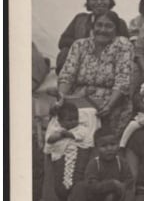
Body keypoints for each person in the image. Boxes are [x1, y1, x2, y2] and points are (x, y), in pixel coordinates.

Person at [57, 11, 135, 139]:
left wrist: (109, 105)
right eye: (99, 25)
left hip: (111, 101)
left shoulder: (123, 45)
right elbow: (67, 74)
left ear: (116, 29)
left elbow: (122, 79)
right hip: (80, 99)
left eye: (108, 26)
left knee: (99, 136)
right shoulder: (80, 45)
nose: (102, 30)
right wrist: (62, 97)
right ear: (92, 27)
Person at [58, 128, 134, 201]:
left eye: (113, 145)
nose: (109, 149)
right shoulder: (94, 163)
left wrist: (122, 187)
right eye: (104, 146)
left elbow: (129, 180)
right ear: (96, 148)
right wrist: (111, 184)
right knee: (80, 186)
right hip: (97, 199)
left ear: (118, 145)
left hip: (115, 199)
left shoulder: (121, 162)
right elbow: (92, 185)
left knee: (129, 193)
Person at [56, 0, 130, 73]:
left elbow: (126, 46)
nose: (99, 2)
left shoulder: (119, 22)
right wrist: (85, 46)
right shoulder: (80, 19)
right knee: (64, 52)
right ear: (88, 2)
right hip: (79, 61)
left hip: (106, 64)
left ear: (110, 1)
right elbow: (63, 41)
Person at [43, 102, 95, 201]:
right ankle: (63, 197)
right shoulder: (57, 129)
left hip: (76, 154)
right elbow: (50, 140)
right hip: (61, 155)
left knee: (77, 175)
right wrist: (61, 135)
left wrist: (67, 134)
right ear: (60, 121)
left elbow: (80, 137)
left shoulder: (81, 128)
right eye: (69, 120)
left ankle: (75, 197)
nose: (73, 122)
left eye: (76, 119)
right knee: (60, 175)